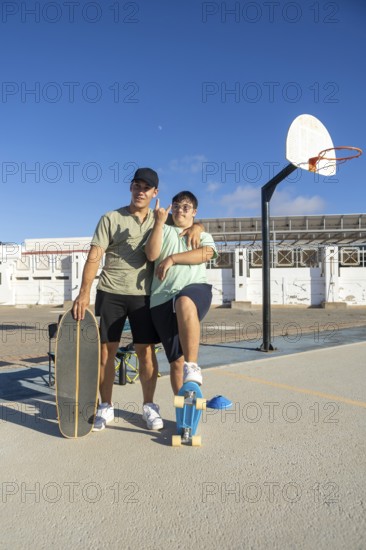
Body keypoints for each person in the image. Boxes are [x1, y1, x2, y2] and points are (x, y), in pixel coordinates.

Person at [72, 168, 203, 431]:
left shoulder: (162, 221)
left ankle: (149, 406)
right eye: (136, 185)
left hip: (145, 296)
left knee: (146, 353)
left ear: (155, 193)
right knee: (106, 353)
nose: (140, 191)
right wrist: (84, 292)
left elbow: (187, 222)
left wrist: (199, 226)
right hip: (112, 292)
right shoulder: (111, 218)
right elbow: (95, 255)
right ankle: (105, 406)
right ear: (131, 188)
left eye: (146, 187)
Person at [145, 191, 217, 394]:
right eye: (176, 206)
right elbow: (151, 255)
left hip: (195, 289)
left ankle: (193, 366)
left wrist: (172, 258)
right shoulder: (163, 229)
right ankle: (183, 408)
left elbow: (206, 253)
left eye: (186, 207)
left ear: (194, 212)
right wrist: (158, 223)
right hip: (161, 298)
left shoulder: (201, 234)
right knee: (176, 361)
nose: (180, 210)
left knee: (184, 301)